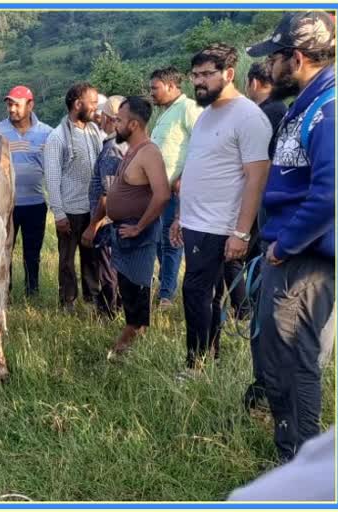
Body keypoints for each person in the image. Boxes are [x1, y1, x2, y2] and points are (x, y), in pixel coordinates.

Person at [246, 10, 336, 462]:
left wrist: (284, 244)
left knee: (295, 362)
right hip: (289, 254)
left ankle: (299, 462)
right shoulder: (310, 104)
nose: (270, 68)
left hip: (303, 259)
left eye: (276, 58)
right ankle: (289, 449)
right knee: (275, 356)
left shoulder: (330, 109)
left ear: (296, 58)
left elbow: (331, 193)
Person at [170, 44, 272, 378]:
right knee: (208, 295)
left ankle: (194, 365)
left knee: (196, 292)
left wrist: (241, 231)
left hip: (221, 224)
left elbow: (256, 178)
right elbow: (200, 169)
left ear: (228, 73)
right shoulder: (207, 114)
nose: (197, 82)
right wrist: (180, 216)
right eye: (194, 75)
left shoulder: (248, 117)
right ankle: (209, 357)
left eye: (205, 74)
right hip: (196, 221)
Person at [103, 97, 170, 357]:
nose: (114, 124)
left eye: (119, 120)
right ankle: (133, 346)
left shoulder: (149, 152)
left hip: (138, 238)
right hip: (124, 234)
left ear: (133, 124)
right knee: (128, 291)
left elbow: (162, 195)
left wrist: (139, 228)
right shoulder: (130, 150)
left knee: (136, 292)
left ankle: (121, 350)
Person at [242, 61, 290, 412]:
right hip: (270, 229)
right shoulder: (286, 112)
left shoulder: (269, 114)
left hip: (270, 231)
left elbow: (258, 174)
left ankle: (266, 390)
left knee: (264, 307)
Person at [0, 85, 53, 298]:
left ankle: (32, 291)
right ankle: (6, 290)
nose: (12, 109)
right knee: (4, 250)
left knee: (33, 253)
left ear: (30, 105)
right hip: (5, 205)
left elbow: (52, 168)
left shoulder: (47, 133)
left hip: (35, 203)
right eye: (9, 104)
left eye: (17, 104)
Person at [44, 82, 104, 313]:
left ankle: (92, 299)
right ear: (78, 104)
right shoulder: (57, 137)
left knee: (91, 257)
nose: (96, 108)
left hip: (92, 208)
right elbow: (52, 177)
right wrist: (59, 213)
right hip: (69, 210)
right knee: (67, 260)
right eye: (93, 103)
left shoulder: (93, 131)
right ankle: (67, 302)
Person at [149, 66, 203, 308]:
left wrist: (184, 175)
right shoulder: (165, 113)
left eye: (155, 88)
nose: (152, 93)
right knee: (160, 241)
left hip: (177, 190)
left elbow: (201, 144)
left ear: (171, 86)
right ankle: (165, 286)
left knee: (171, 241)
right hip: (159, 191)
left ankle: (166, 296)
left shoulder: (188, 108)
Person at [82, 95, 127, 317]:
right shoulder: (128, 144)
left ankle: (109, 313)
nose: (99, 120)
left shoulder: (112, 148)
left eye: (102, 116)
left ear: (110, 119)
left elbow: (108, 196)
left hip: (108, 224)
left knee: (108, 270)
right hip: (120, 221)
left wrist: (93, 226)